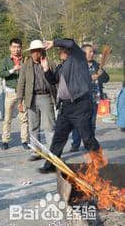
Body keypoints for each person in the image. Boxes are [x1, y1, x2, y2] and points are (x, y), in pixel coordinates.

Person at [38, 39, 101, 174]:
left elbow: (71, 43)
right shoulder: (62, 66)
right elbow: (53, 80)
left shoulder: (78, 59)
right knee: (58, 138)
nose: (60, 51)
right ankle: (51, 165)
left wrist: (53, 42)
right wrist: (46, 69)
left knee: (87, 137)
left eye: (61, 49)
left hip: (80, 105)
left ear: (68, 51)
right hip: (66, 107)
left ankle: (99, 163)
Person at [16, 40, 57, 162]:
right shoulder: (26, 64)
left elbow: (56, 80)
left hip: (46, 97)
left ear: (42, 51)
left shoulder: (50, 63)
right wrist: (19, 101)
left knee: (49, 126)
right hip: (31, 98)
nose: (35, 54)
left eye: (37, 51)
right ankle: (36, 151)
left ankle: (51, 152)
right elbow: (21, 83)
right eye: (33, 51)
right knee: (33, 127)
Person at [70, 44, 109, 152]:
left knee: (92, 123)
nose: (92, 54)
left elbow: (107, 79)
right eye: (90, 52)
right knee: (79, 123)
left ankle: (90, 143)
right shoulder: (78, 65)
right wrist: (93, 77)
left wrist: (101, 74)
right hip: (81, 100)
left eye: (93, 52)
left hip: (94, 99)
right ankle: (75, 144)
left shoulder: (97, 65)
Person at [0, 38, 29, 150]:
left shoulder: (26, 60)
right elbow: (1, 73)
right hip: (10, 93)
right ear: (10, 48)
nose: (16, 49)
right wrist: (13, 70)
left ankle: (25, 140)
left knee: (24, 118)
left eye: (18, 47)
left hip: (23, 94)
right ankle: (5, 140)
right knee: (7, 118)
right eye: (14, 47)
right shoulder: (5, 61)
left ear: (21, 48)